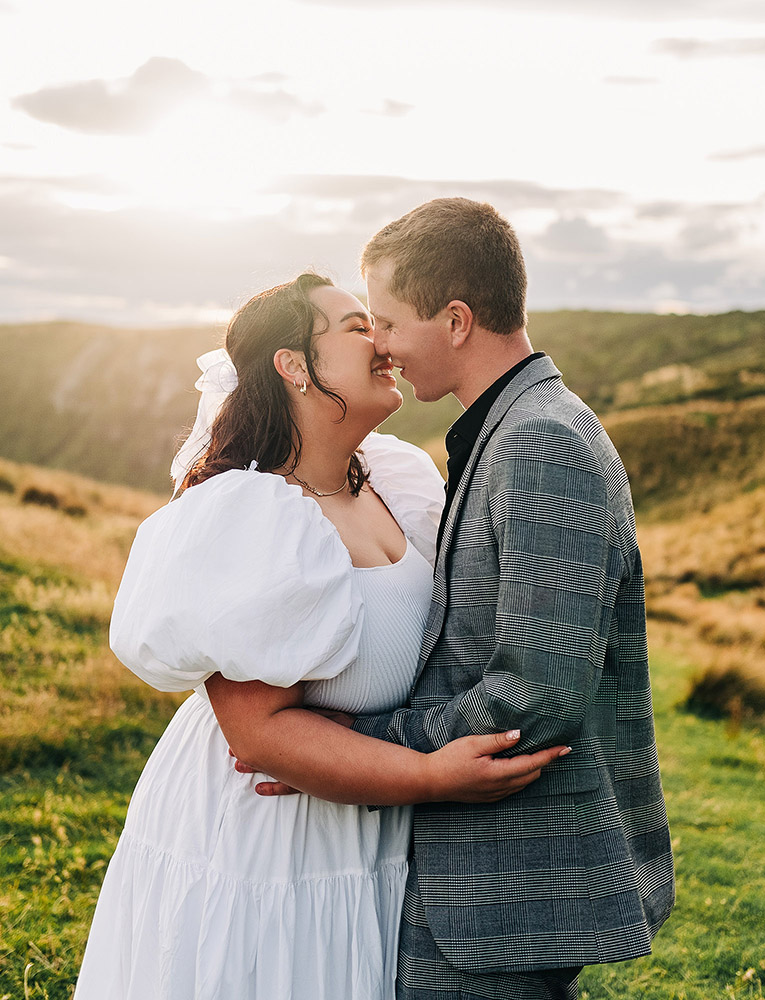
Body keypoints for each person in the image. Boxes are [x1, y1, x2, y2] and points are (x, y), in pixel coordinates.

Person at [73, 273, 569, 1000]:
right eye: (355, 325)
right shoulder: (253, 513)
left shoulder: (395, 483)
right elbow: (260, 738)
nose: (383, 342)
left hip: (361, 826)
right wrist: (434, 777)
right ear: (295, 366)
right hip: (266, 842)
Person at [255, 200, 676, 998]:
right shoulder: (509, 426)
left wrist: (363, 741)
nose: (377, 343)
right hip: (487, 875)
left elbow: (539, 691)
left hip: (508, 881)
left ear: (455, 320)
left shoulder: (540, 438)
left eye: (386, 321)